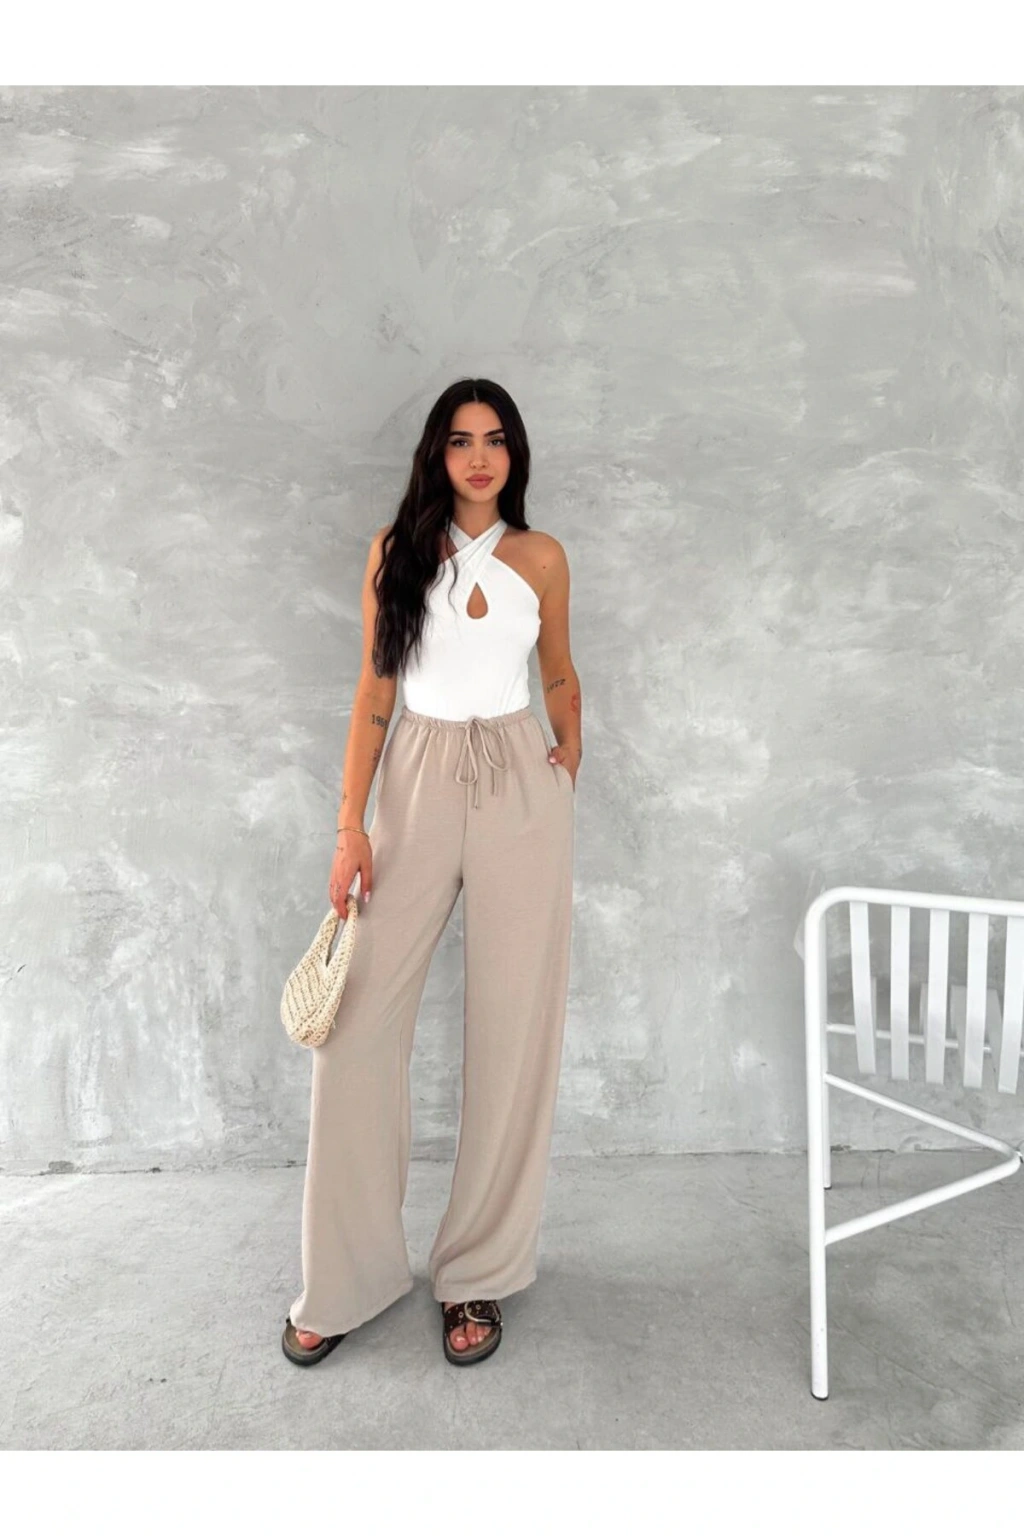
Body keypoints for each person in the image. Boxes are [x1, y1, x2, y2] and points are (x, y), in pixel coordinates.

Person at [282, 377, 580, 1367]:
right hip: (414, 774)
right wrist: (349, 826)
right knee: (355, 1023)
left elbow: (558, 669)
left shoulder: (543, 557)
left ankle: (478, 1273)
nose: (478, 458)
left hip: (519, 782)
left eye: (494, 440)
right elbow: (375, 689)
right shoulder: (396, 551)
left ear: (514, 453)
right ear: (436, 455)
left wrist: (567, 753)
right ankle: (344, 1278)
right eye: (460, 441)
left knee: (513, 1026)